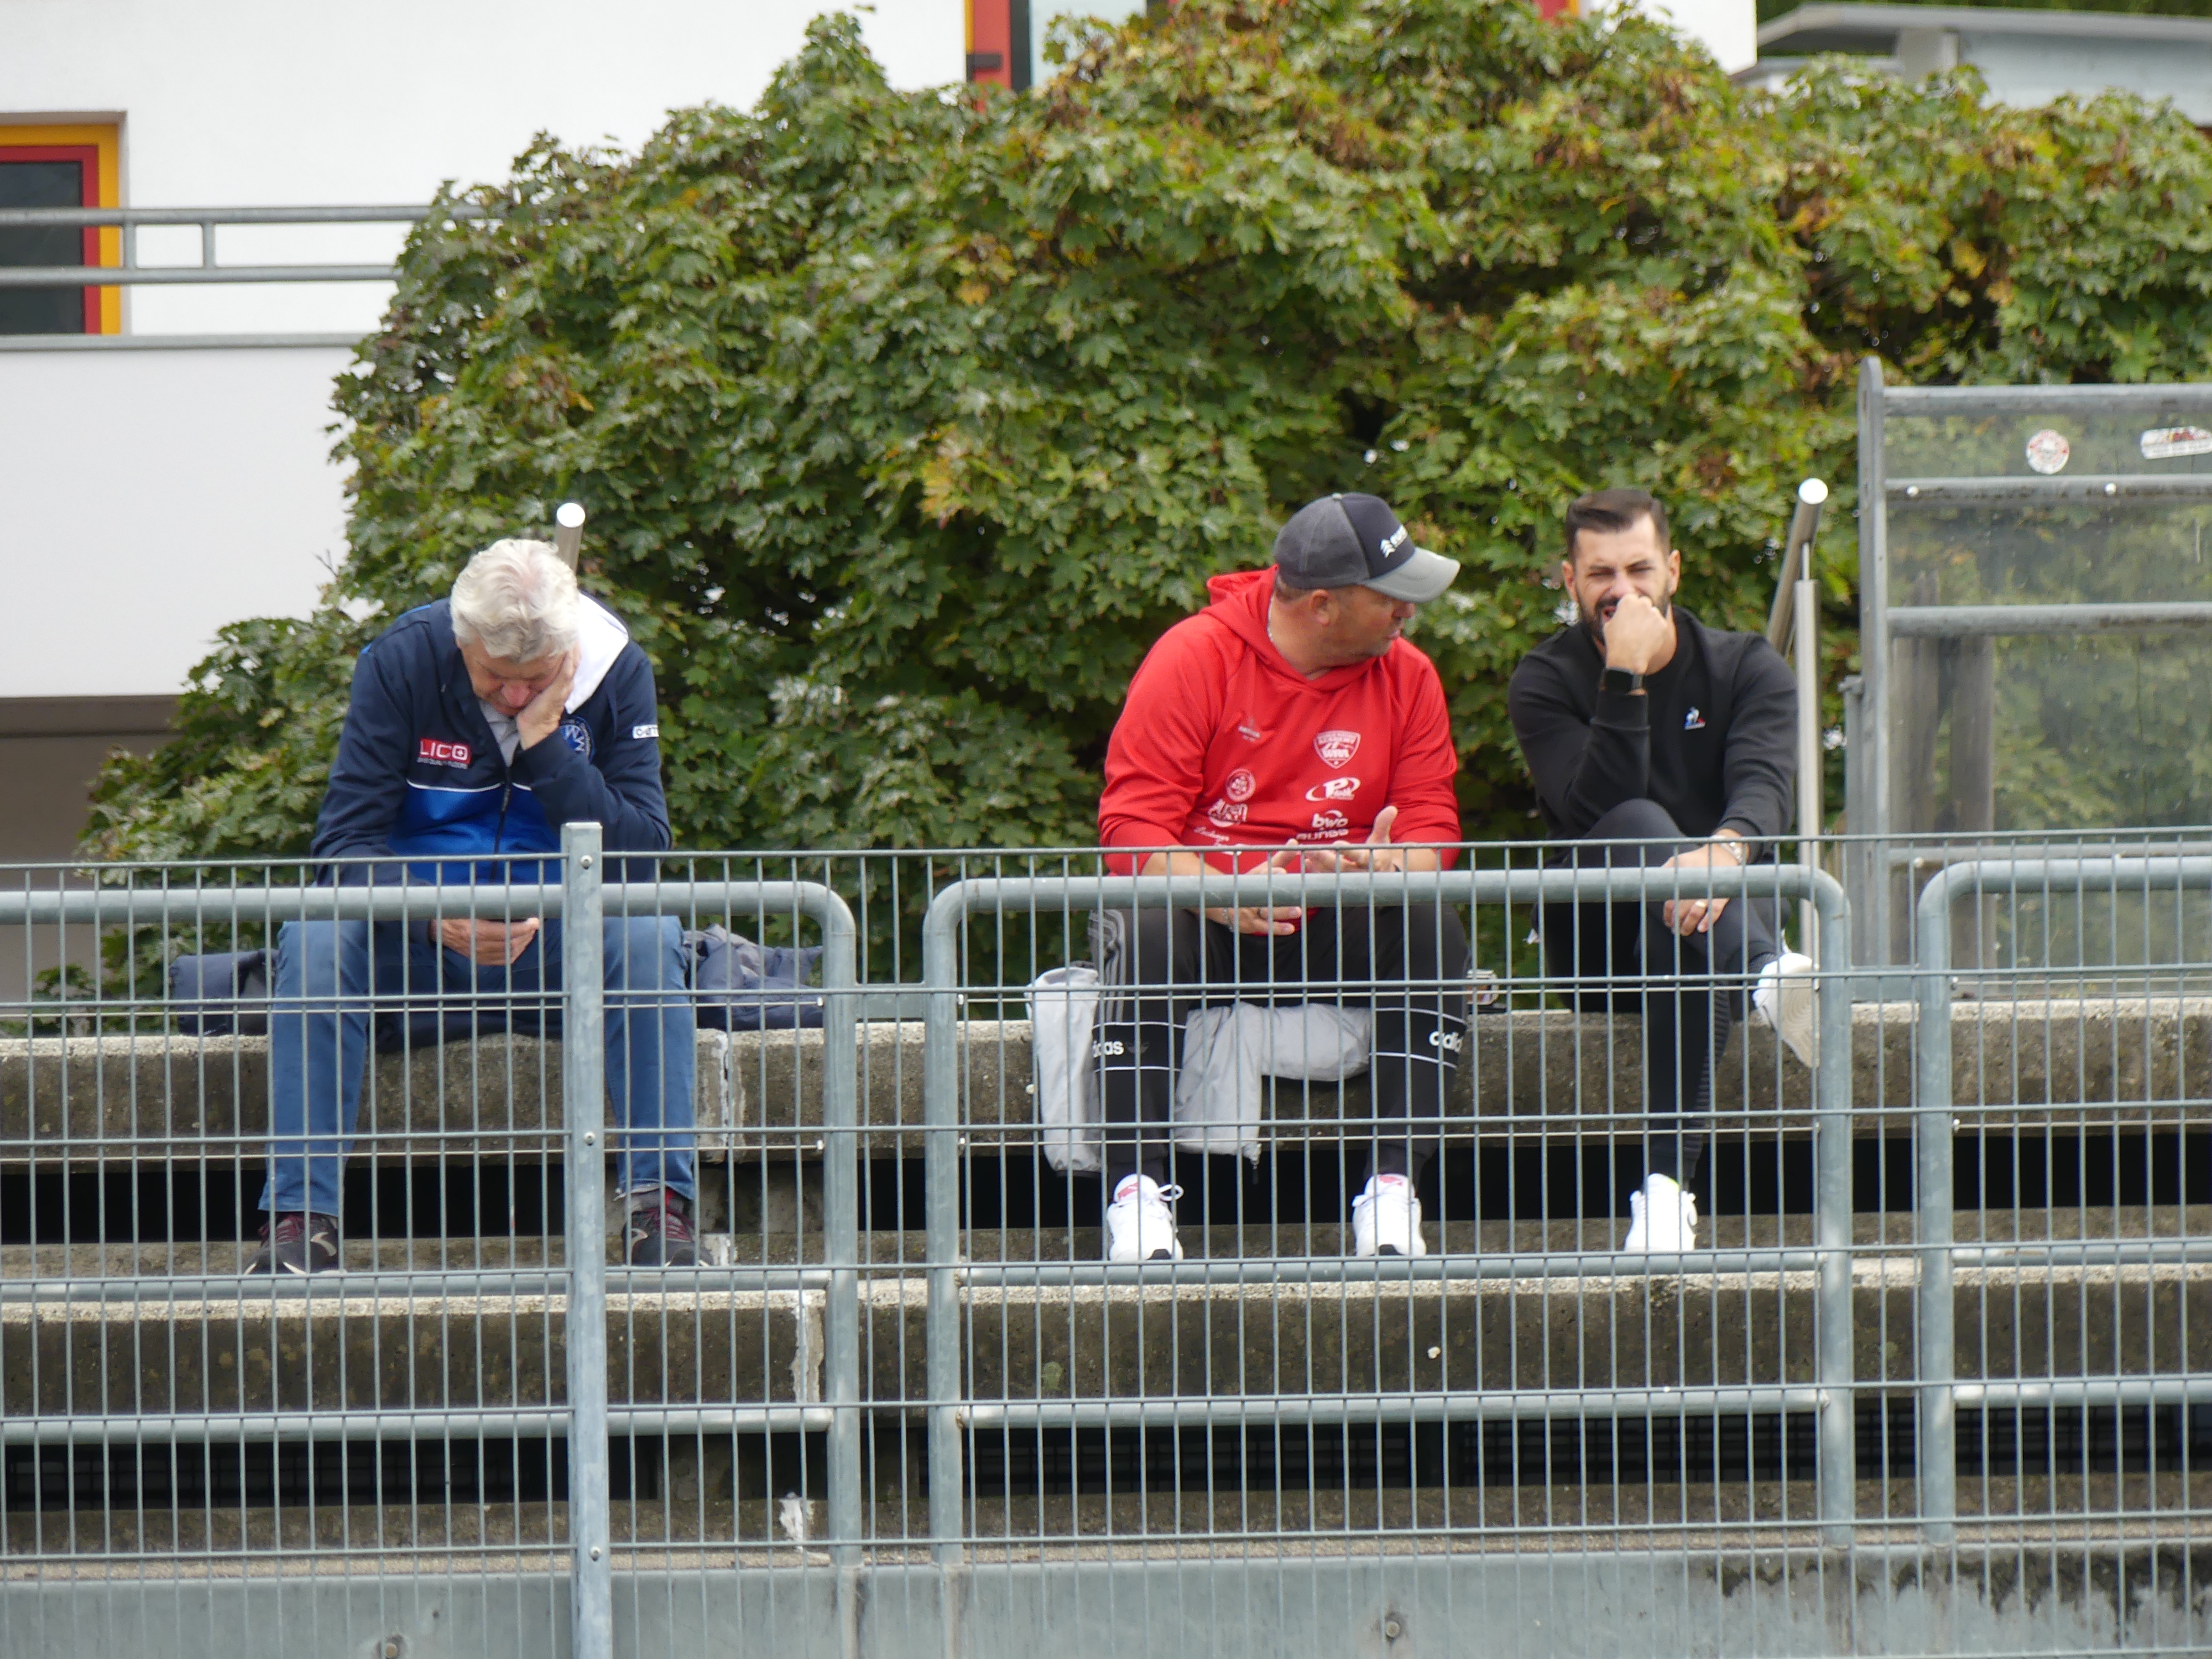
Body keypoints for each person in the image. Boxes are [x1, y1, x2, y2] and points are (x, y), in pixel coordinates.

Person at [251, 539, 697, 1273]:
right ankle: (301, 1224)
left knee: (650, 936)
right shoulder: (401, 660)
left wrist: (547, 748)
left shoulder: (617, 669)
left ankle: (662, 1216)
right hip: (418, 952)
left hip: (556, 951)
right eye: (496, 678)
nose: (516, 698)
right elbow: (343, 846)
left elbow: (643, 855)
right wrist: (435, 917)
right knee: (317, 936)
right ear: (461, 643)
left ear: (569, 653)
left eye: (536, 680)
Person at [1093, 492, 1470, 1263]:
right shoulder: (1194, 658)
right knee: (1147, 920)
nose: (1408, 614)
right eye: (1391, 597)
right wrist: (1218, 892)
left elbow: (1433, 821)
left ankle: (1393, 1189)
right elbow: (1130, 827)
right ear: (1324, 606)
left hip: (1333, 916)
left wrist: (1392, 866)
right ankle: (1137, 1193)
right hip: (1210, 920)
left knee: (1431, 920)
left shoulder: (1410, 675)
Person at [1507, 488, 1816, 1254]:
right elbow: (1596, 809)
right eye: (1600, 574)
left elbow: (1765, 790)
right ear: (1570, 581)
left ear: (1673, 569)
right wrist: (1624, 674)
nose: (1622, 590)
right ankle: (1766, 970)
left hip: (1700, 930)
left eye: (1639, 569)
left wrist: (1723, 852)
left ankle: (1666, 1194)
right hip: (1596, 941)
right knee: (1642, 822)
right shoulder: (1544, 680)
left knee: (1688, 916)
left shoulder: (1747, 667)